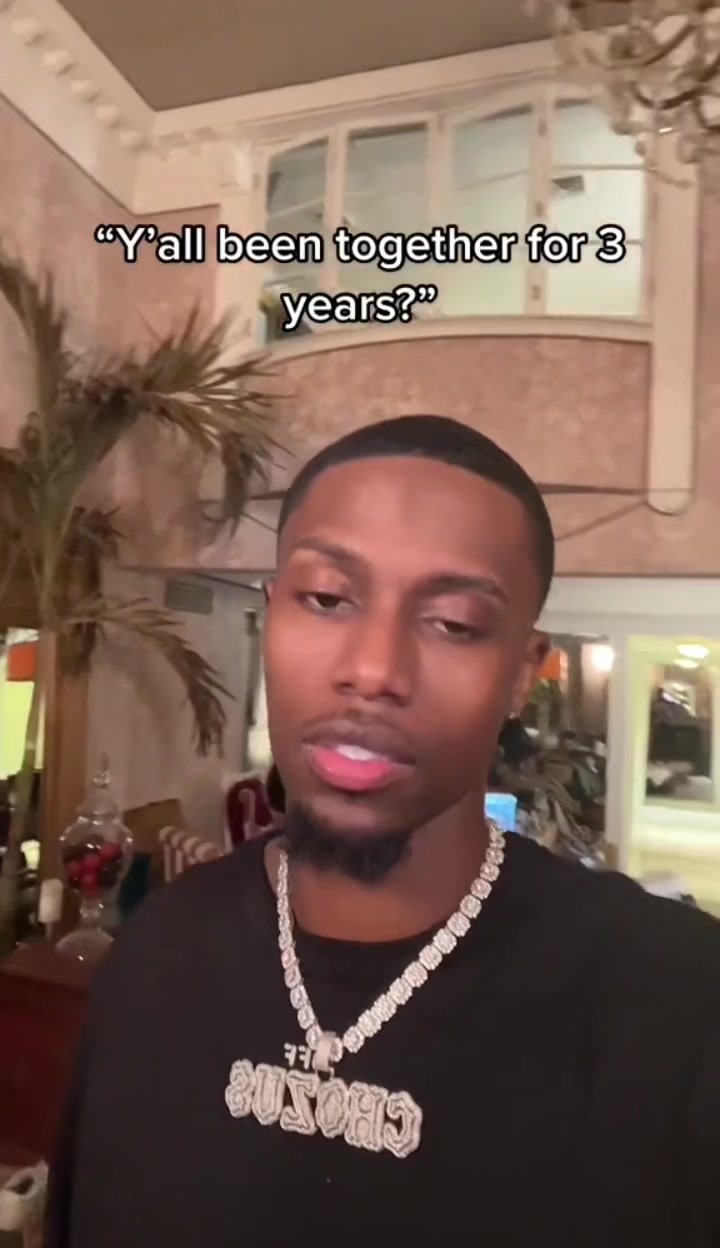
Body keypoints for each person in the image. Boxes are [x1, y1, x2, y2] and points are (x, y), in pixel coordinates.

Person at [44, 415, 719, 1248]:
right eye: (327, 599)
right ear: (272, 616)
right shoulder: (154, 957)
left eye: (454, 623)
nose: (373, 670)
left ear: (521, 674)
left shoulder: (681, 1011)